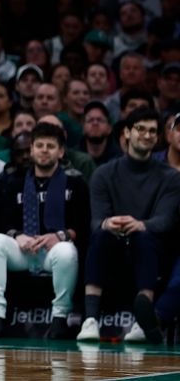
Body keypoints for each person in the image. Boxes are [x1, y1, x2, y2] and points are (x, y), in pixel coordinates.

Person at [76, 108, 180, 344]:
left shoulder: (171, 177)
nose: (147, 135)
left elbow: (165, 221)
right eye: (140, 129)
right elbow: (95, 221)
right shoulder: (103, 173)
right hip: (112, 245)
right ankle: (90, 320)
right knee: (101, 234)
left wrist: (140, 224)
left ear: (158, 137)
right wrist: (108, 223)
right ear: (126, 133)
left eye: (152, 131)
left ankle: (141, 323)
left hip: (150, 247)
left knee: (144, 236)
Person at [0, 123, 90, 339]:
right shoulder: (15, 181)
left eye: (50, 146)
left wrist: (59, 236)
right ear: (31, 149)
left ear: (60, 151)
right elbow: (0, 221)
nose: (44, 150)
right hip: (23, 250)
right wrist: (17, 235)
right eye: (39, 145)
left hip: (54, 251)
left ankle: (60, 317)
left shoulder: (75, 183)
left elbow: (83, 225)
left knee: (67, 251)